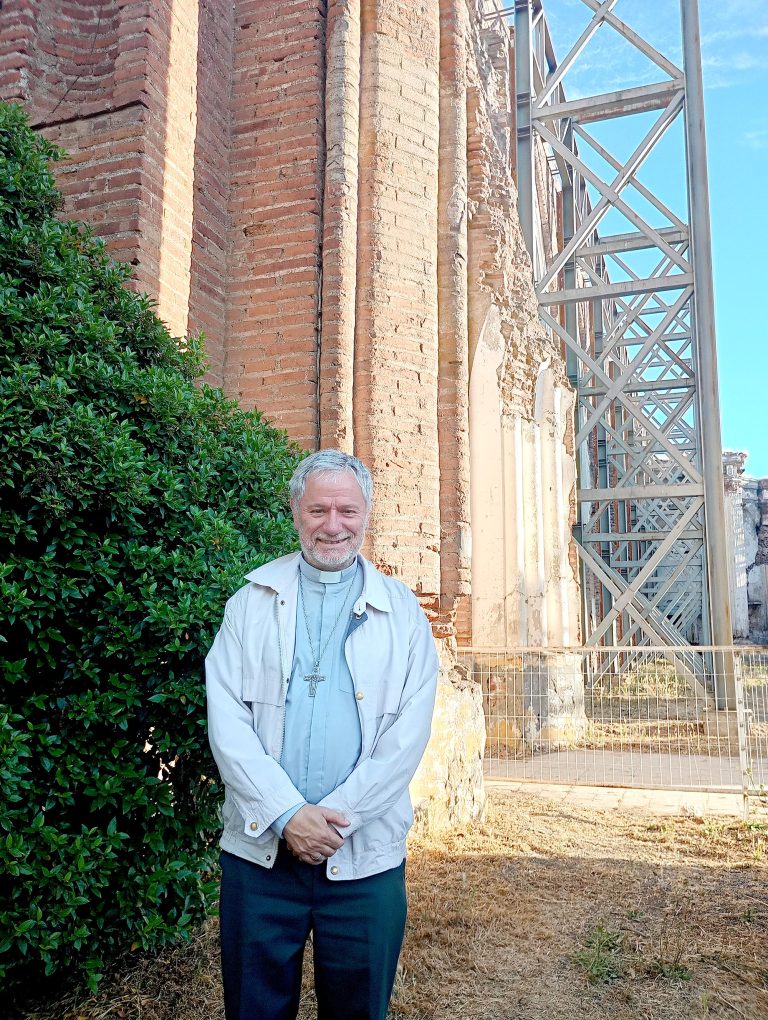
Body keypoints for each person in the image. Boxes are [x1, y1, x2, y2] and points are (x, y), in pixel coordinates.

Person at [205, 449, 439, 1020]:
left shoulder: (404, 615)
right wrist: (287, 814)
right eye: (318, 510)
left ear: (367, 515)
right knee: (254, 1009)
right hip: (261, 859)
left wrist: (333, 820)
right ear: (294, 513)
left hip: (364, 857)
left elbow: (406, 738)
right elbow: (227, 720)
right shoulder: (250, 604)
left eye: (347, 511)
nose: (333, 525)